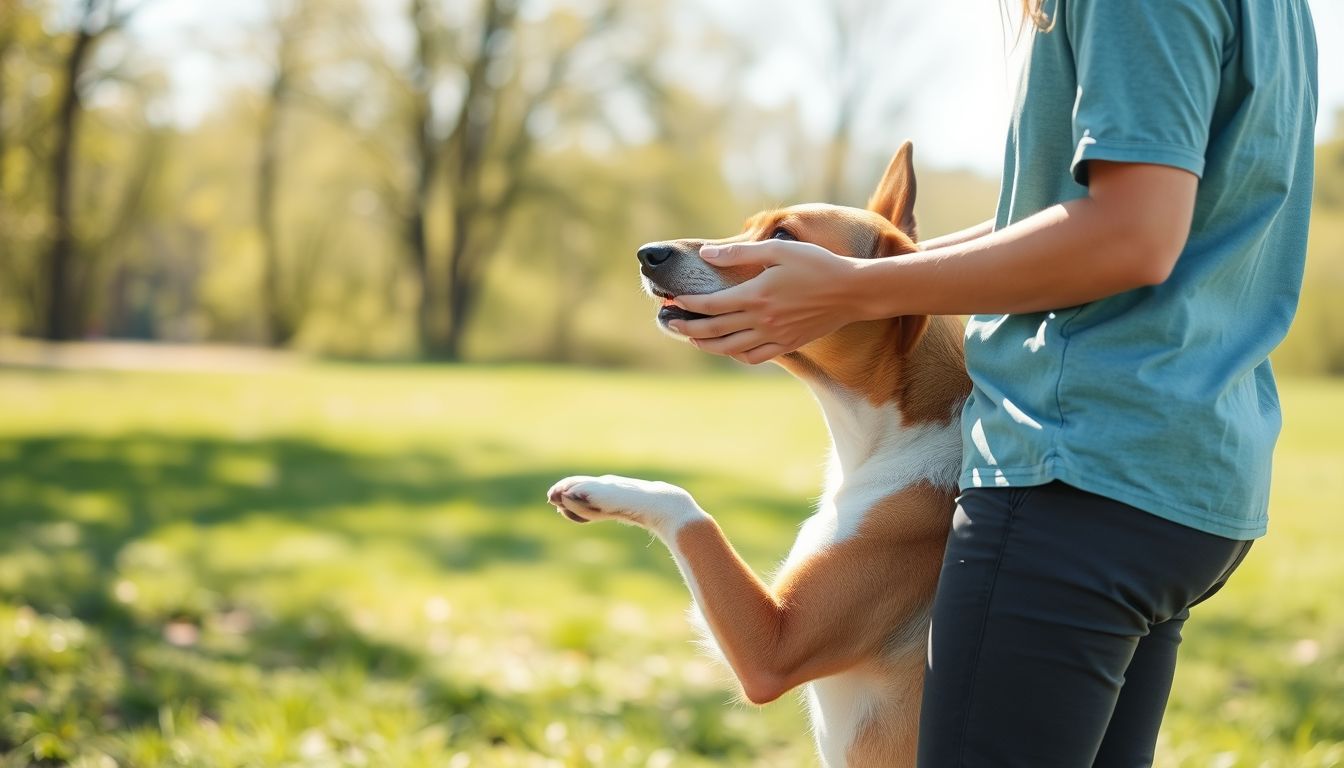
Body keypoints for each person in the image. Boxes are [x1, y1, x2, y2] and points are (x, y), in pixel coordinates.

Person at [668, 0, 1320, 765]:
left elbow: (1131, 233)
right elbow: (1066, 214)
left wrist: (859, 289)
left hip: (1072, 466)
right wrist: (869, 279)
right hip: (1192, 473)